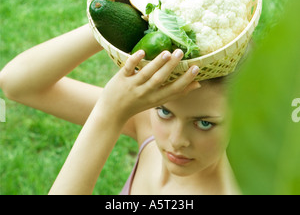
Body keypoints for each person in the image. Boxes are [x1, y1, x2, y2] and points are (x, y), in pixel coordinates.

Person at [0, 24, 240, 195]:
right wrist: (112, 24)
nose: (177, 141)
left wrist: (109, 112)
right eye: (165, 112)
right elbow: (16, 84)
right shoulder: (146, 123)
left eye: (204, 123)